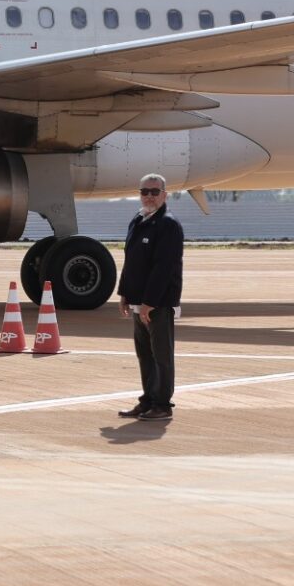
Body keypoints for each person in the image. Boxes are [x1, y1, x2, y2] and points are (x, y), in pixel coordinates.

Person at [116, 172, 183, 421]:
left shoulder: (168, 224)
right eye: (145, 191)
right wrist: (124, 293)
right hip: (137, 302)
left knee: (161, 355)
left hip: (158, 304)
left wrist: (149, 303)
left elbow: (164, 268)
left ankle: (162, 404)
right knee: (144, 354)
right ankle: (148, 400)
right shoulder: (139, 219)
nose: (149, 197)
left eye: (155, 192)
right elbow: (130, 259)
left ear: (165, 195)